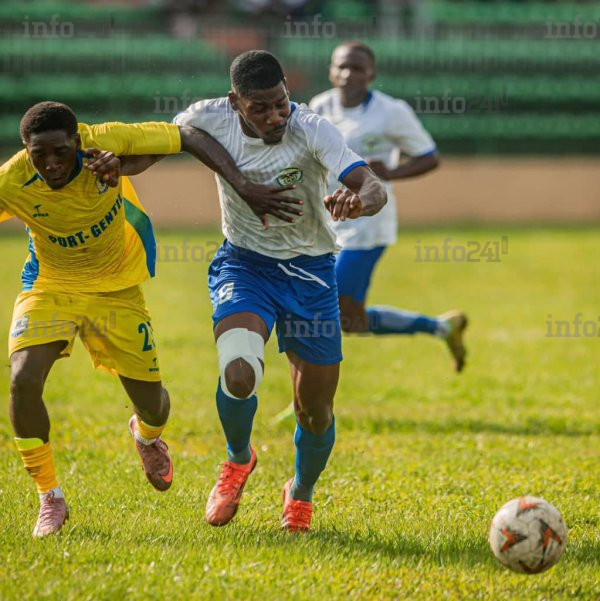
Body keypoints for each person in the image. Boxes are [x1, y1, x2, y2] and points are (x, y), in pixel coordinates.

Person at [0, 101, 293, 538]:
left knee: (154, 406)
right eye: (38, 155)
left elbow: (186, 136)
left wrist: (243, 185)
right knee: (23, 381)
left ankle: (147, 436)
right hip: (50, 288)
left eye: (60, 152)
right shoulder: (13, 180)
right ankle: (50, 496)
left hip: (116, 290)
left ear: (78, 140)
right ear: (26, 150)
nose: (51, 164)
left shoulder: (107, 140)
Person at [164, 50, 386, 532]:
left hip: (311, 275)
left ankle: (299, 492)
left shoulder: (313, 129)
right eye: (260, 108)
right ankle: (238, 459)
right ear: (235, 102)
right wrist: (113, 162)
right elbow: (174, 136)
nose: (275, 116)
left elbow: (374, 186)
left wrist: (358, 200)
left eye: (280, 103)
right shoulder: (210, 116)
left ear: (288, 89)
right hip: (245, 265)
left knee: (316, 412)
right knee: (239, 372)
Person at [309, 41, 468, 372]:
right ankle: (441, 328)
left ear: (371, 74)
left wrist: (391, 173)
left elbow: (429, 157)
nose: (348, 74)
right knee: (349, 320)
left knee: (324, 304)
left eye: (357, 68)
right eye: (341, 66)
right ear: (330, 71)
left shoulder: (391, 112)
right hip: (329, 219)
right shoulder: (319, 105)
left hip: (368, 224)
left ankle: (311, 387)